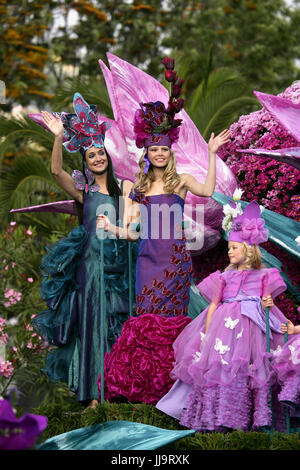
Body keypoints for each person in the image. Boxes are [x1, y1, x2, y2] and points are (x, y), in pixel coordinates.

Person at [96, 58, 231, 404]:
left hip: (173, 263)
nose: (158, 153)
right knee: (145, 323)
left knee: (173, 322)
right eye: (153, 149)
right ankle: (144, 390)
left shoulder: (181, 181)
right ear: (147, 151)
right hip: (147, 261)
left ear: (170, 152)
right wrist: (112, 227)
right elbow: (132, 232)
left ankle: (174, 393)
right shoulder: (137, 186)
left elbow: (208, 189)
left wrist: (212, 154)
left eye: (163, 149)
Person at [31, 93, 133, 408]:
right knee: (91, 328)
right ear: (86, 163)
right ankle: (92, 395)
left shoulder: (124, 190)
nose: (98, 158)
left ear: (107, 156)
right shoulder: (83, 192)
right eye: (91, 156)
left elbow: (136, 226)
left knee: (117, 327)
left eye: (101, 153)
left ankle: (116, 391)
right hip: (89, 267)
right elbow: (56, 173)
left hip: (117, 268)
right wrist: (59, 138)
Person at [156, 199, 290, 431]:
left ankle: (252, 419)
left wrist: (266, 302)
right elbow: (213, 307)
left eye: (234, 248)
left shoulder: (265, 274)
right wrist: (206, 334)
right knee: (222, 365)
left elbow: (269, 301)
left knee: (253, 368)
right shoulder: (224, 277)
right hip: (224, 329)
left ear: (247, 249)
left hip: (254, 328)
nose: (229, 251)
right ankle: (220, 416)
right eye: (229, 248)